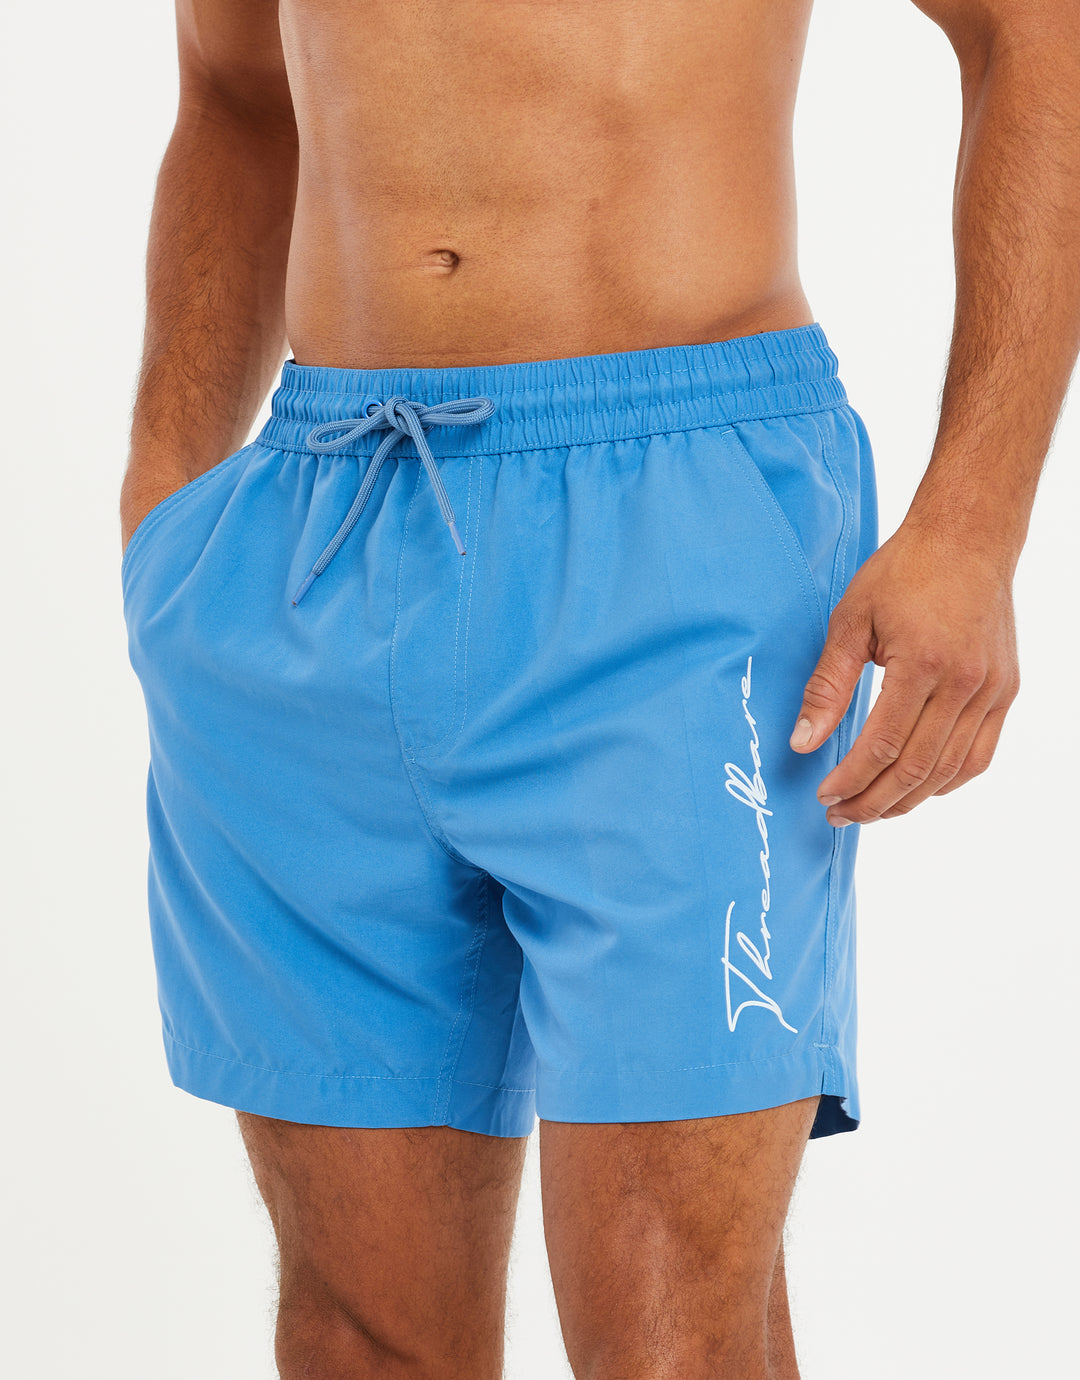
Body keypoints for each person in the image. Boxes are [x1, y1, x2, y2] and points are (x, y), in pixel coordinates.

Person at [117, 1, 1078, 1375]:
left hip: (671, 523)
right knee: (357, 1338)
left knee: (672, 1336)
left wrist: (976, 522)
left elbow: (1035, 31)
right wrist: (166, 504)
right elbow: (233, 90)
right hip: (315, 538)